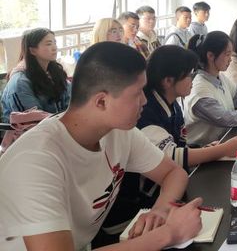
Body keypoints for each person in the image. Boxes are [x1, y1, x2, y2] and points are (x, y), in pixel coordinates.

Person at [0, 42, 203, 250]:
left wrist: (160, 211)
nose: (144, 101)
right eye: (137, 93)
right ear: (101, 102)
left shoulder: (119, 131)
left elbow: (173, 173)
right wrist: (169, 233)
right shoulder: (35, 160)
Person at [104, 45, 237, 232]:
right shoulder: (144, 113)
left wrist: (203, 148)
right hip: (135, 212)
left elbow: (176, 152)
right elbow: (172, 157)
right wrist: (221, 150)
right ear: (168, 81)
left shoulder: (172, 105)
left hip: (162, 198)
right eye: (189, 74)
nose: (193, 79)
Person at [1, 28, 71, 123]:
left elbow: (71, 102)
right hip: (32, 130)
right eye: (48, 44)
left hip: (58, 125)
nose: (54, 48)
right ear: (33, 50)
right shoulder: (20, 82)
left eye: (55, 43)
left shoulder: (54, 72)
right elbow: (32, 120)